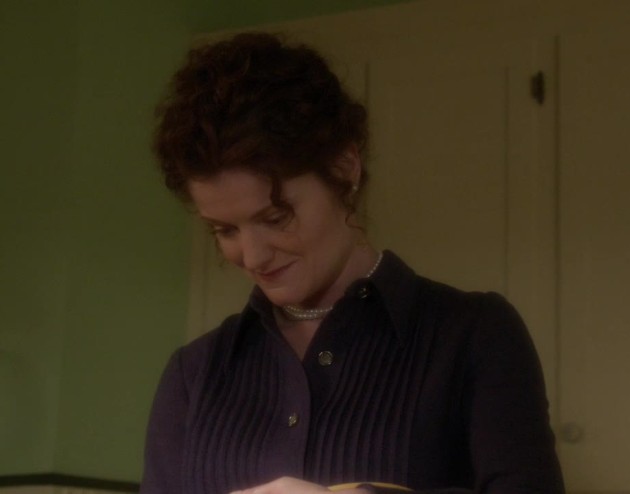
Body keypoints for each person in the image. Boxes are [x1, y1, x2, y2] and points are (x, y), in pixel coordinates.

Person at [142, 32, 564, 494]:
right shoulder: (194, 373)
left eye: (276, 217)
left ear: (344, 169)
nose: (253, 255)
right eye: (224, 231)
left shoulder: (475, 336)